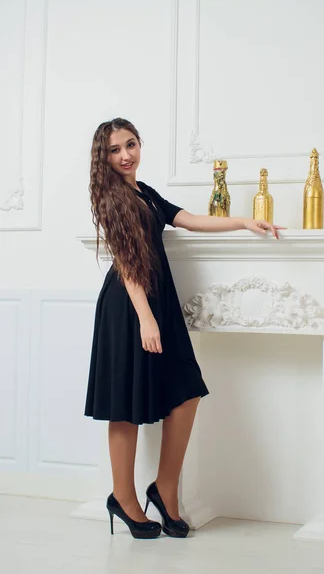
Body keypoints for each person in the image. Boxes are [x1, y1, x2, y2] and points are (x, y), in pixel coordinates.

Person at [84, 117, 284, 540]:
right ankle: (123, 497)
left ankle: (165, 488)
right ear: (104, 157)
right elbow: (125, 260)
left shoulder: (145, 191)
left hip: (158, 301)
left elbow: (189, 219)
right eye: (116, 149)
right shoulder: (111, 197)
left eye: (131, 144)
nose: (125, 155)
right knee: (125, 403)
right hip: (130, 306)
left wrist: (245, 222)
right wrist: (145, 317)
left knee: (187, 391)